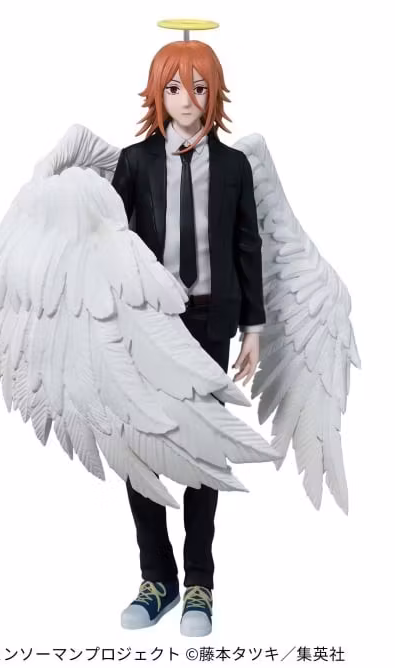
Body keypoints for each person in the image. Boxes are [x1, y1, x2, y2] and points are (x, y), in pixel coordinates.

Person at [111, 40, 266, 637]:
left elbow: (247, 245)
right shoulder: (134, 162)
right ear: (157, 93)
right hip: (147, 324)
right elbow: (109, 242)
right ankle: (157, 577)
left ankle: (199, 581)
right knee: (140, 444)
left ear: (214, 94)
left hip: (209, 322)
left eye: (199, 88)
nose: (186, 100)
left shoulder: (233, 167)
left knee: (203, 445)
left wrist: (253, 326)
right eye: (174, 88)